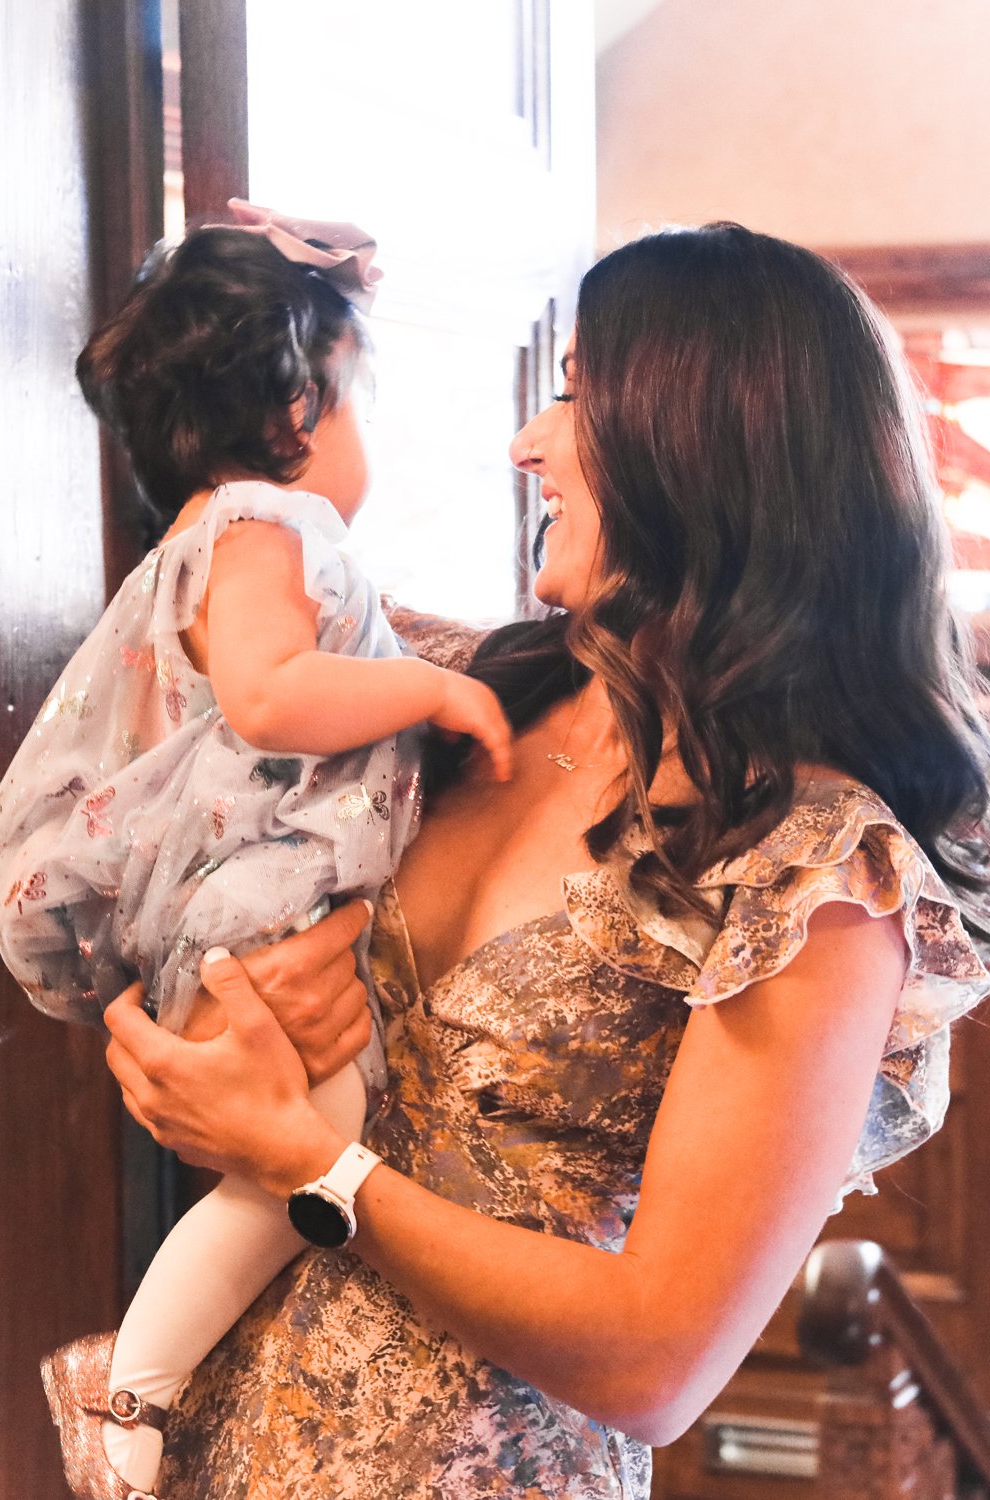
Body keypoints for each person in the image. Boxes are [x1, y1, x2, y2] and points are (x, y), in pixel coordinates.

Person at [102, 222, 990, 1500]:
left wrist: (311, 1164)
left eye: (573, 394)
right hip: (217, 1440)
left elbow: (659, 1362)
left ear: (700, 444)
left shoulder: (811, 874)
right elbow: (211, 595)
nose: (527, 443)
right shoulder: (458, 695)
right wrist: (286, 290)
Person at [0, 217, 511, 1500]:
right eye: (355, 399)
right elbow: (272, 698)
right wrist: (432, 692)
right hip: (258, 907)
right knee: (302, 1159)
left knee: (287, 1168)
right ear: (296, 409)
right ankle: (135, 1390)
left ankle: (151, 1384)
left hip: (236, 911)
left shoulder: (209, 534)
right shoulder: (264, 523)